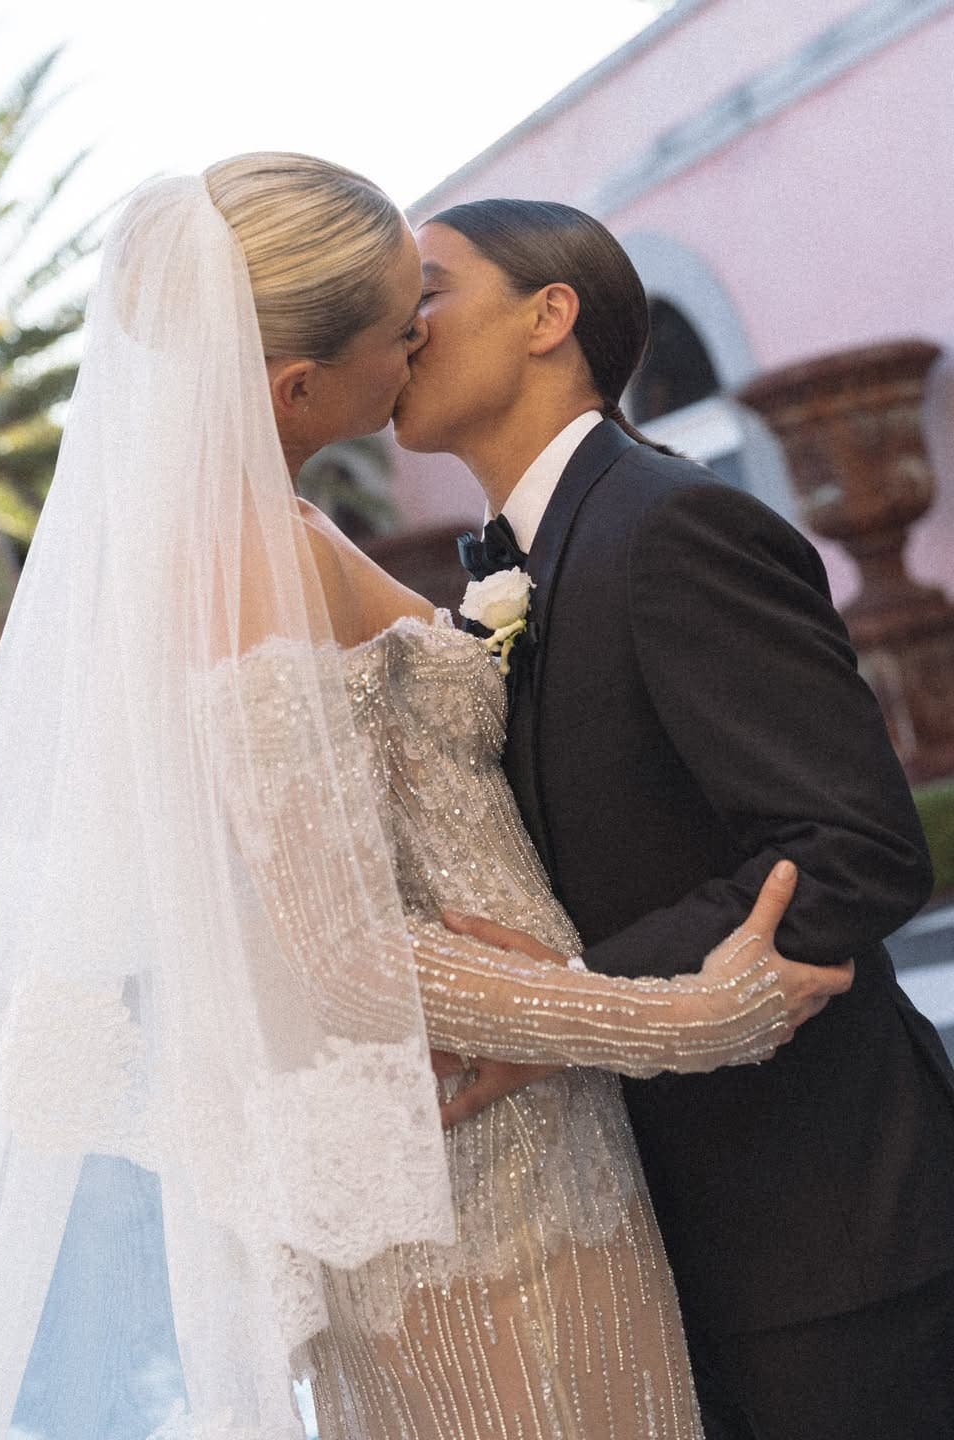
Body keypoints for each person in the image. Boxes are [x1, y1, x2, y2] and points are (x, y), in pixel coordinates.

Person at [0, 157, 849, 1440]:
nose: (419, 344)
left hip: (518, 1135)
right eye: (402, 326)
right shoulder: (238, 554)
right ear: (297, 385)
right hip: (471, 1183)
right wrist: (687, 1017)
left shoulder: (268, 527)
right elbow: (342, 954)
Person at [393, 198, 954, 1440]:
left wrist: (565, 1009)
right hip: (664, 1233)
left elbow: (855, 850)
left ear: (549, 315)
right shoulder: (509, 569)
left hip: (825, 1236)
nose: (403, 325)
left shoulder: (673, 523)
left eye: (430, 288)